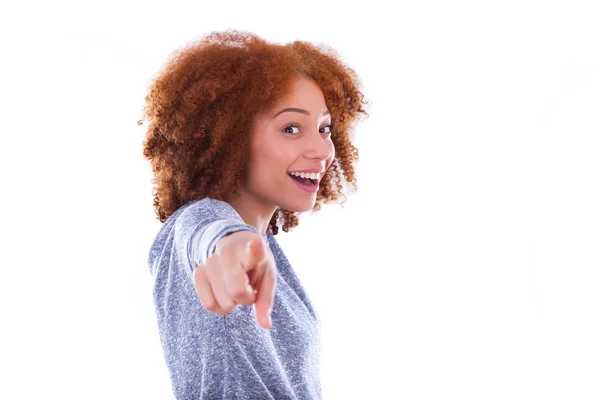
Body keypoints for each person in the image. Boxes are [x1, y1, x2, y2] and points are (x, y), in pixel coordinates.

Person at [140, 30, 368, 399]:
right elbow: (204, 235)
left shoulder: (268, 249)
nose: (321, 150)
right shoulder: (201, 221)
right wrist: (231, 244)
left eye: (324, 128)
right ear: (230, 137)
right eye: (291, 128)